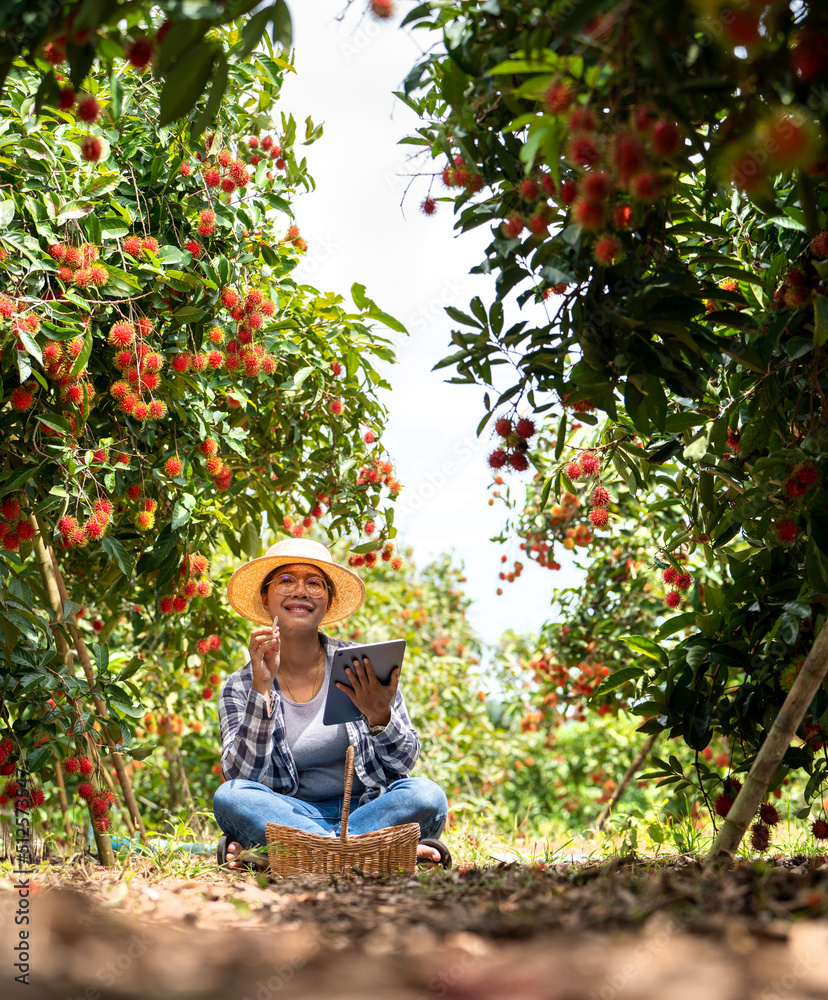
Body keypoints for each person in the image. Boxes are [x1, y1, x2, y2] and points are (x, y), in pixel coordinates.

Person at [213, 537, 451, 872]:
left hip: (367, 809)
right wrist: (262, 689)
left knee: (426, 795)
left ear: (328, 600)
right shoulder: (241, 685)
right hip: (288, 813)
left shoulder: (362, 666)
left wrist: (380, 715)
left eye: (314, 583)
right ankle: (369, 851)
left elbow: (404, 763)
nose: (300, 591)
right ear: (266, 597)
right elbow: (240, 776)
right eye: (285, 580)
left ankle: (300, 854)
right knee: (231, 797)